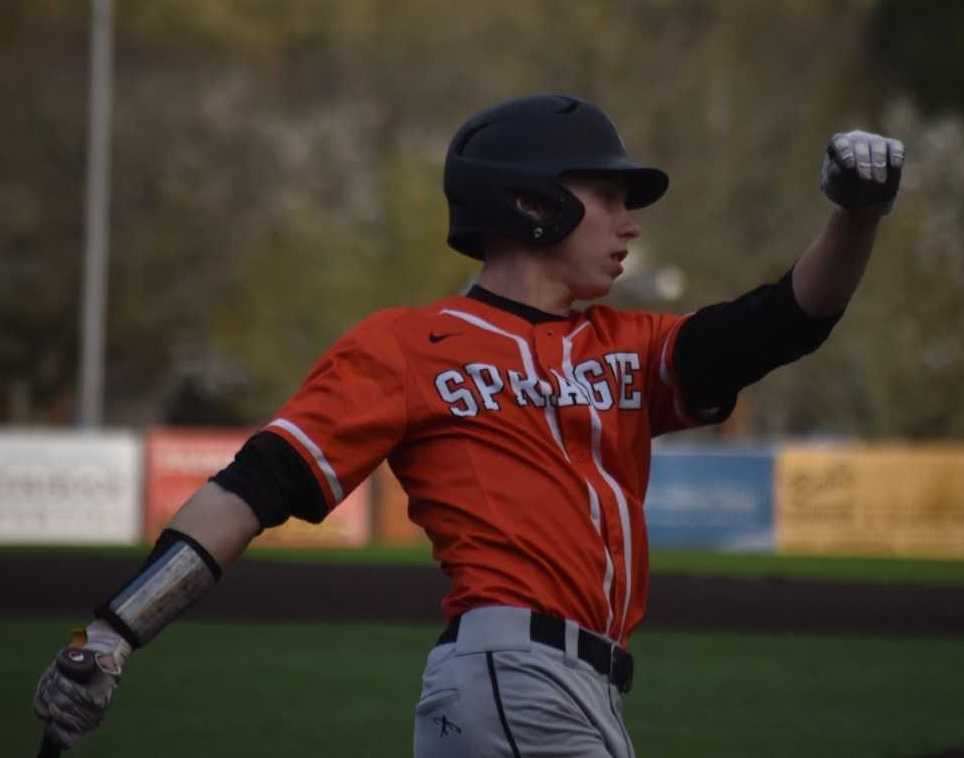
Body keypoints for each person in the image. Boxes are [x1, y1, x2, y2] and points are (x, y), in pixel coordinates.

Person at [34, 94, 904, 757]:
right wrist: (111, 632)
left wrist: (855, 214)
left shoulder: (628, 347)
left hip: (568, 691)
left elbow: (783, 321)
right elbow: (250, 488)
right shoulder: (407, 347)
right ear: (533, 204)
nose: (629, 222)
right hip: (514, 678)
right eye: (607, 195)